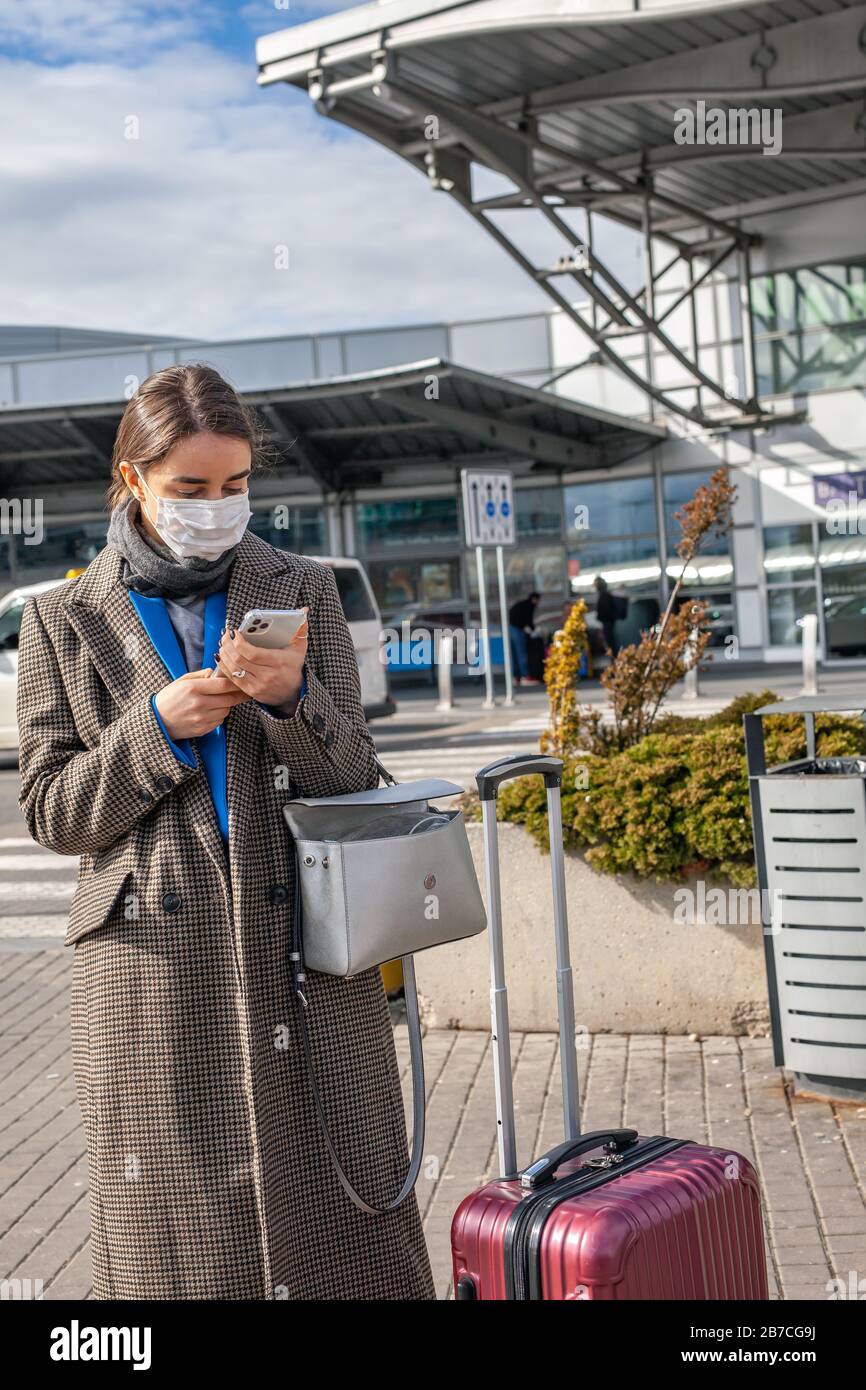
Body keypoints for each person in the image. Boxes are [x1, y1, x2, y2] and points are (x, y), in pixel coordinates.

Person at [16, 364, 435, 1302]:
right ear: (135, 481)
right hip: (154, 962)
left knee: (340, 1199)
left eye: (237, 484)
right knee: (182, 1224)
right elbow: (50, 809)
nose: (218, 507)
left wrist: (294, 698)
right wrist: (153, 727)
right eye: (191, 490)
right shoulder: (61, 619)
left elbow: (355, 780)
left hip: (308, 941)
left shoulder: (303, 590)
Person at [508, 590, 541, 686]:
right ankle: (525, 676)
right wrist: (533, 631)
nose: (538, 603)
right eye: (538, 600)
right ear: (534, 599)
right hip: (517, 630)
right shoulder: (529, 606)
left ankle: (516, 677)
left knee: (514, 654)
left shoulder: (522, 604)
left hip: (511, 628)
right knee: (521, 653)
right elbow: (529, 621)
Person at [594, 574, 620, 657]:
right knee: (610, 643)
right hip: (608, 622)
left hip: (608, 622)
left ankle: (614, 659)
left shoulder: (604, 596)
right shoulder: (605, 595)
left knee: (610, 643)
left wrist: (599, 616)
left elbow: (605, 610)